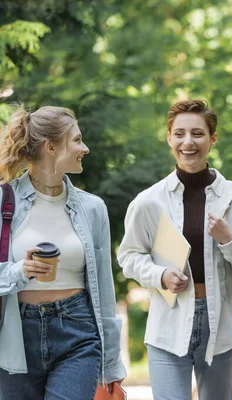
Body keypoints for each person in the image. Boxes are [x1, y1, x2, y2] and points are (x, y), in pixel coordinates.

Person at [118, 99, 232, 400]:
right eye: (180, 133)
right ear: (169, 137)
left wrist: (229, 240)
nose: (188, 142)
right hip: (166, 327)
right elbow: (129, 257)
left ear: (213, 138)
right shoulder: (149, 201)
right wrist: (160, 275)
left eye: (198, 133)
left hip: (222, 327)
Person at [0, 105, 126, 399]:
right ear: (52, 146)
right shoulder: (5, 200)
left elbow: (104, 289)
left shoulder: (92, 208)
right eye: (77, 140)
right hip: (15, 335)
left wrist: (111, 362)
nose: (85, 148)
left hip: (78, 333)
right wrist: (21, 271)